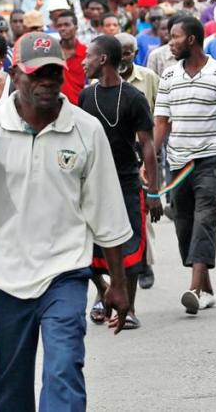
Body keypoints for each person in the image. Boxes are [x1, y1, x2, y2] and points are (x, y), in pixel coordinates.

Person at [0, 32, 132, 411]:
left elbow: (106, 210)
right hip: (2, 274)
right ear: (16, 74)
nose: (46, 83)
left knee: (64, 370)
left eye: (53, 74)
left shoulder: (85, 130)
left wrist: (117, 284)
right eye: (36, 74)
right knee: (9, 384)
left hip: (65, 271)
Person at [153, 16, 216, 315]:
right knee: (184, 227)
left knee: (204, 222)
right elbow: (161, 121)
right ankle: (207, 287)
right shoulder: (169, 76)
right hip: (178, 164)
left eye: (174, 37)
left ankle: (194, 288)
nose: (170, 42)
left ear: (191, 39)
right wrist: (150, 160)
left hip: (210, 161)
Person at [79, 35, 160, 330]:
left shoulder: (134, 98)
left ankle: (130, 307)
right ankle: (105, 292)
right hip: (93, 182)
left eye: (88, 56)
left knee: (131, 246)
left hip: (126, 181)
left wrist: (153, 191)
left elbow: (148, 145)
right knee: (87, 247)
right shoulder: (86, 97)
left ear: (103, 60)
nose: (83, 61)